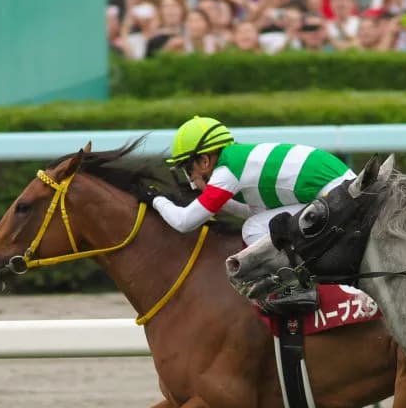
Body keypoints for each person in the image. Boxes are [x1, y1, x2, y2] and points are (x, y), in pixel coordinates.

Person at [153, 116, 357, 307]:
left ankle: (295, 287)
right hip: (340, 191)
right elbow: (253, 212)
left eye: (188, 170)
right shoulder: (240, 162)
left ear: (205, 161)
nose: (191, 181)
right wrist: (217, 201)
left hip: (336, 197)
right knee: (258, 222)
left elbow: (184, 223)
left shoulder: (227, 172)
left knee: (252, 229)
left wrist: (156, 199)